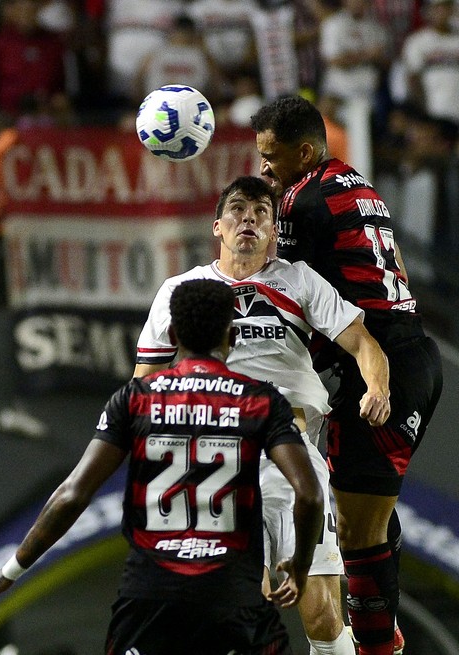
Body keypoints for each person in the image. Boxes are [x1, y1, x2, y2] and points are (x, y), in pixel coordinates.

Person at [0, 278, 324, 655]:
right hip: (231, 595)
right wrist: (299, 565)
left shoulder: (134, 400)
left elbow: (72, 495)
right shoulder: (259, 401)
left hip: (150, 597)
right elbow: (309, 494)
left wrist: (9, 572)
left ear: (173, 333)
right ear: (231, 336)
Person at [133, 176, 390, 655]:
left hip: (289, 453)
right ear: (217, 226)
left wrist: (378, 385)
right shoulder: (183, 290)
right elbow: (145, 382)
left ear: (274, 232)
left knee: (323, 616)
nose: (248, 218)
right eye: (237, 209)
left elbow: (362, 342)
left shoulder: (298, 280)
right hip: (213, 463)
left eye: (261, 212)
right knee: (228, 617)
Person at [250, 95, 444, 655]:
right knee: (367, 513)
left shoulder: (303, 203)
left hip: (378, 366)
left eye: (271, 157)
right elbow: (395, 268)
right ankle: (387, 636)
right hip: (412, 353)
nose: (264, 168)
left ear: (304, 152)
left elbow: (276, 278)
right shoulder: (354, 184)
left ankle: (379, 647)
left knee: (359, 531)